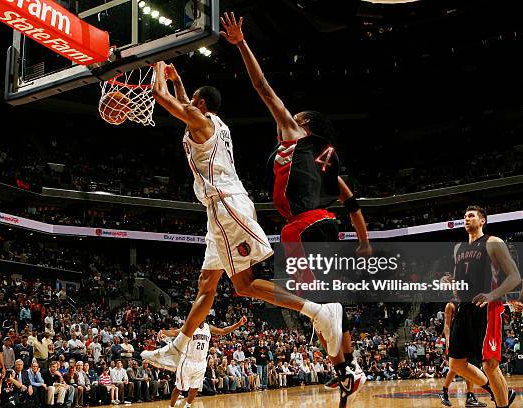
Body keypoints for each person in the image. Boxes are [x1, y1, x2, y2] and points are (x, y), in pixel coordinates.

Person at [143, 57, 347, 389]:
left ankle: (316, 311)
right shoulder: (215, 122)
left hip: (224, 205)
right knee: (206, 285)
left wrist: (157, 67)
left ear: (201, 104)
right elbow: (182, 101)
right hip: (221, 209)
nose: (188, 104)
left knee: (244, 285)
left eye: (192, 100)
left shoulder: (199, 120)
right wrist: (179, 82)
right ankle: (178, 347)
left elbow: (163, 99)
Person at [219, 11, 371, 406]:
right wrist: (364, 242)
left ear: (303, 126)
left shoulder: (296, 139)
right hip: (323, 226)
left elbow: (263, 87)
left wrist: (241, 44)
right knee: (326, 308)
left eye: (295, 118)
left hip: (303, 228)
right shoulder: (323, 160)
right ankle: (348, 369)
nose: (287, 119)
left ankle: (347, 367)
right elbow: (351, 201)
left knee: (315, 308)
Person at [445, 206, 520, 408]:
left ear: (482, 221)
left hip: (487, 307)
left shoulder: (493, 242)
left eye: (471, 216)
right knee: (456, 364)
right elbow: (462, 281)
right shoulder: (458, 248)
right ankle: (500, 391)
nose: (466, 219)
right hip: (464, 308)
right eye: (464, 216)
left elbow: (514, 277)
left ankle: (502, 403)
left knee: (489, 364)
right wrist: (451, 281)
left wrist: (491, 295)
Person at [164, 317, 247, 408]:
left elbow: (223, 331)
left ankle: (187, 405)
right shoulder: (190, 326)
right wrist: (164, 332)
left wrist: (238, 324)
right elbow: (176, 332)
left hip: (201, 362)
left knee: (195, 387)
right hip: (188, 361)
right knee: (179, 387)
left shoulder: (209, 327)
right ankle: (171, 406)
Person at [439, 301, 487, 407]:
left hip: (468, 337)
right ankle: (444, 391)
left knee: (470, 366)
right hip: (455, 339)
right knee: (454, 367)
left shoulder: (469, 303)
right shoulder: (450, 305)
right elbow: (447, 324)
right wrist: (448, 340)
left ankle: (470, 396)